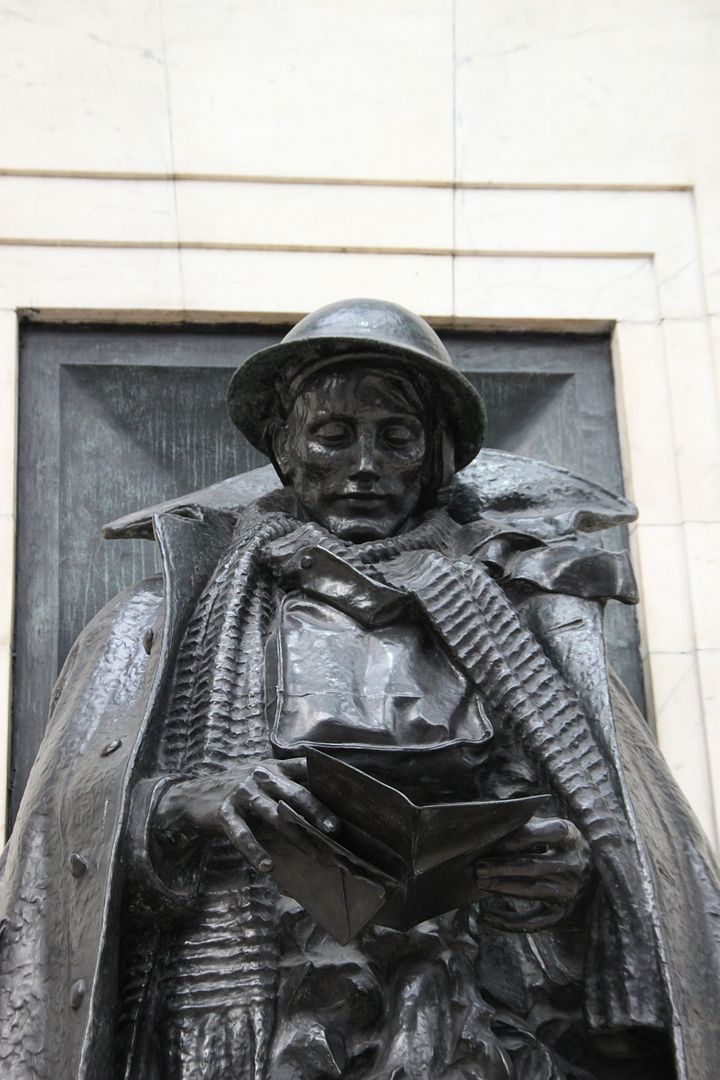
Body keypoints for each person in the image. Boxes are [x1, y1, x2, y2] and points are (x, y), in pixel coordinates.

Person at [1, 298, 719, 1080]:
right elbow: (67, 851)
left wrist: (563, 881)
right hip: (253, 1021)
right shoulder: (162, 621)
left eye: (396, 437)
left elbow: (617, 864)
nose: (365, 464)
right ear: (286, 450)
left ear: (435, 457)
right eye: (333, 436)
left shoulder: (525, 632)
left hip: (466, 1024)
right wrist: (188, 803)